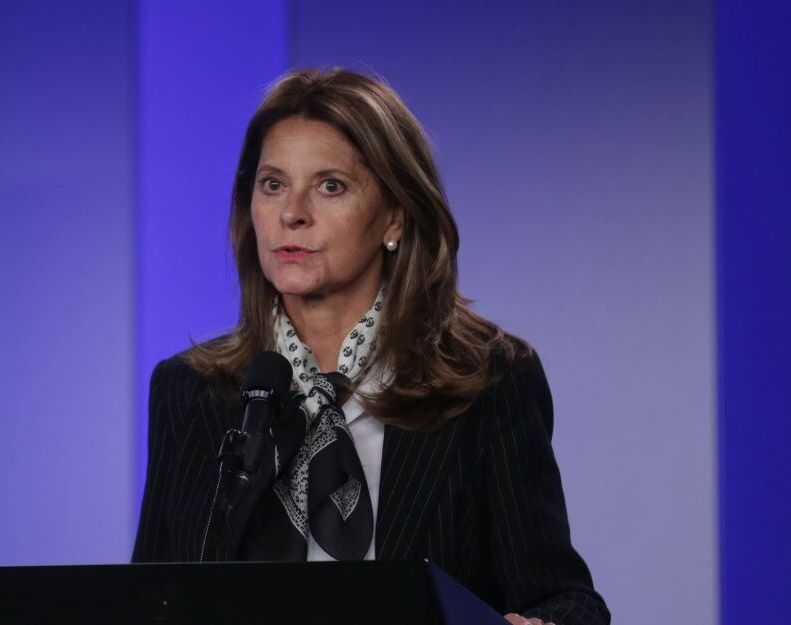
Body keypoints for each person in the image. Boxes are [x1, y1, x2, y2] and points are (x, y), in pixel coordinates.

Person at [132, 68, 609, 625]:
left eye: (330, 185)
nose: (292, 213)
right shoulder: (189, 390)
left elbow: (564, 598)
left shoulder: (489, 380)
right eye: (273, 184)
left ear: (395, 216)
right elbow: (146, 601)